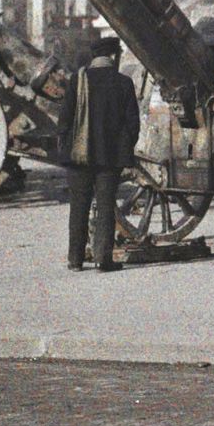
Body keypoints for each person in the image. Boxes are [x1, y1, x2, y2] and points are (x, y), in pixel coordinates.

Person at [56, 36, 142, 272]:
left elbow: (64, 120)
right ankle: (103, 260)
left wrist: (68, 147)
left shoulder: (78, 80)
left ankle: (75, 259)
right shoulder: (123, 82)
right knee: (106, 206)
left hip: (78, 157)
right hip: (109, 158)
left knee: (78, 206)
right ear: (113, 56)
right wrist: (123, 149)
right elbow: (133, 124)